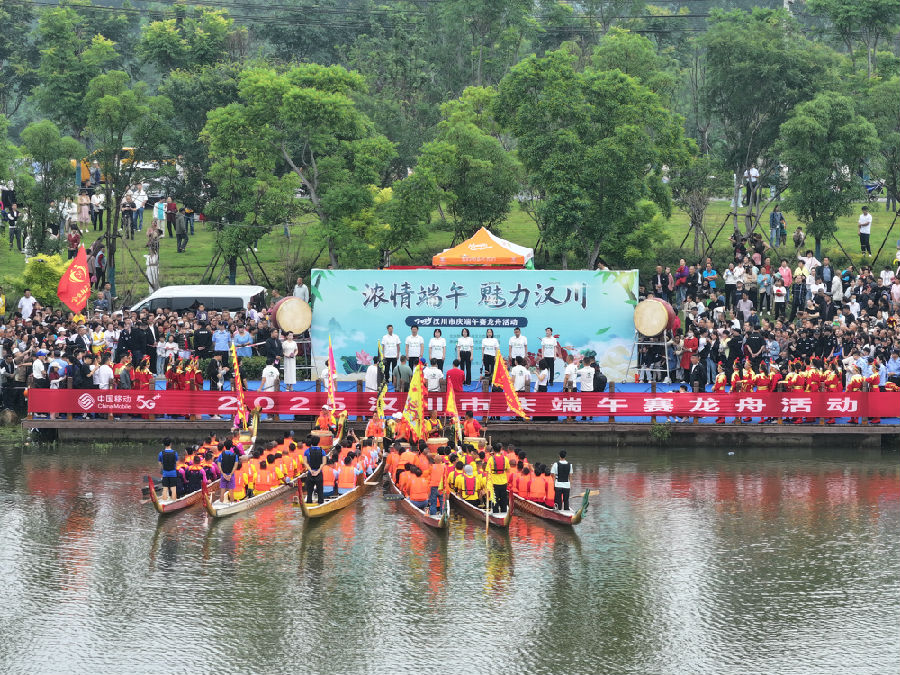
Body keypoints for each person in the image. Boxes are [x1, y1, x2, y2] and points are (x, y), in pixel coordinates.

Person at [303, 439, 326, 504]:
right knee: (320, 491)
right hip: (319, 473)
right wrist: (318, 471)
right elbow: (324, 462)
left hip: (311, 473)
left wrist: (310, 470)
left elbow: (305, 462)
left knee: (309, 491)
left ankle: (309, 503)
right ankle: (321, 503)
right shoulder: (322, 451)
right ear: (318, 442)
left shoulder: (307, 451)